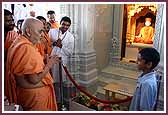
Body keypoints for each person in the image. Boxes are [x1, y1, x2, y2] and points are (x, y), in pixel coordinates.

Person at [5, 18, 60, 111]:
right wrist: (49, 65)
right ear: (28, 31)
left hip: (27, 94)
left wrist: (44, 63)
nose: (43, 35)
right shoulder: (26, 48)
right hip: (35, 97)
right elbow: (34, 79)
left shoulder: (18, 41)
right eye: (40, 31)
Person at [49, 16, 74, 104]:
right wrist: (54, 43)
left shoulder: (70, 37)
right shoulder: (52, 32)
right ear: (60, 23)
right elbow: (46, 45)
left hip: (62, 62)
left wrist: (61, 46)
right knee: (50, 81)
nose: (65, 27)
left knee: (59, 83)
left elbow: (70, 52)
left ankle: (58, 101)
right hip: (50, 60)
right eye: (63, 24)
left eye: (67, 25)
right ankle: (51, 99)